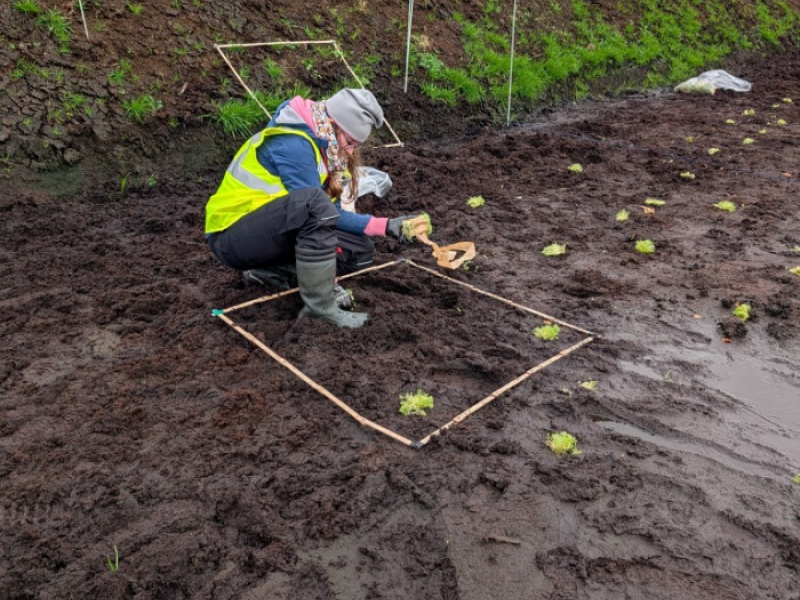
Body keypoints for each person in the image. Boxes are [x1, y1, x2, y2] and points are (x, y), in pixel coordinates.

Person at [204, 88, 421, 328]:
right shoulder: (292, 144)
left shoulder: (328, 151)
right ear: (331, 123)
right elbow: (316, 208)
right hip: (233, 237)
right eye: (349, 142)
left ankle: (270, 272)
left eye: (355, 146)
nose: (349, 152)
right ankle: (320, 307)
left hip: (274, 231)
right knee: (314, 203)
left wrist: (386, 225)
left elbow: (332, 212)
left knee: (359, 250)